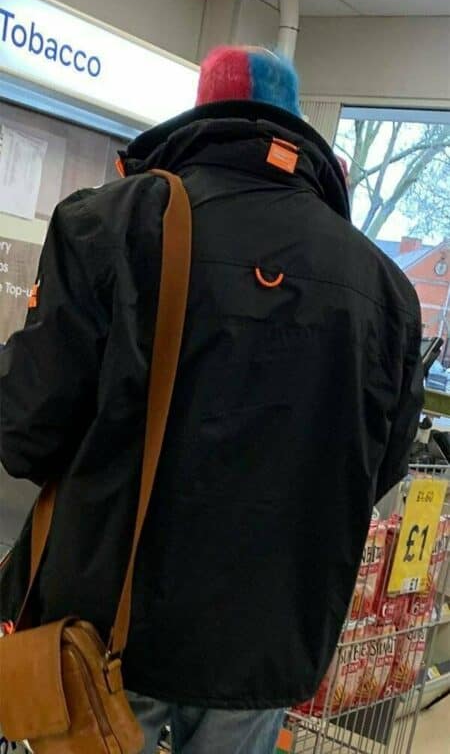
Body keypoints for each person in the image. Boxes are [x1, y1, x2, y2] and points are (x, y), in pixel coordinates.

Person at [0, 46, 423, 753]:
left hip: (109, 633)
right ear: (297, 124)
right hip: (268, 640)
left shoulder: (111, 224)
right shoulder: (385, 289)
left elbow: (24, 432)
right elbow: (375, 472)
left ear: (201, 112)